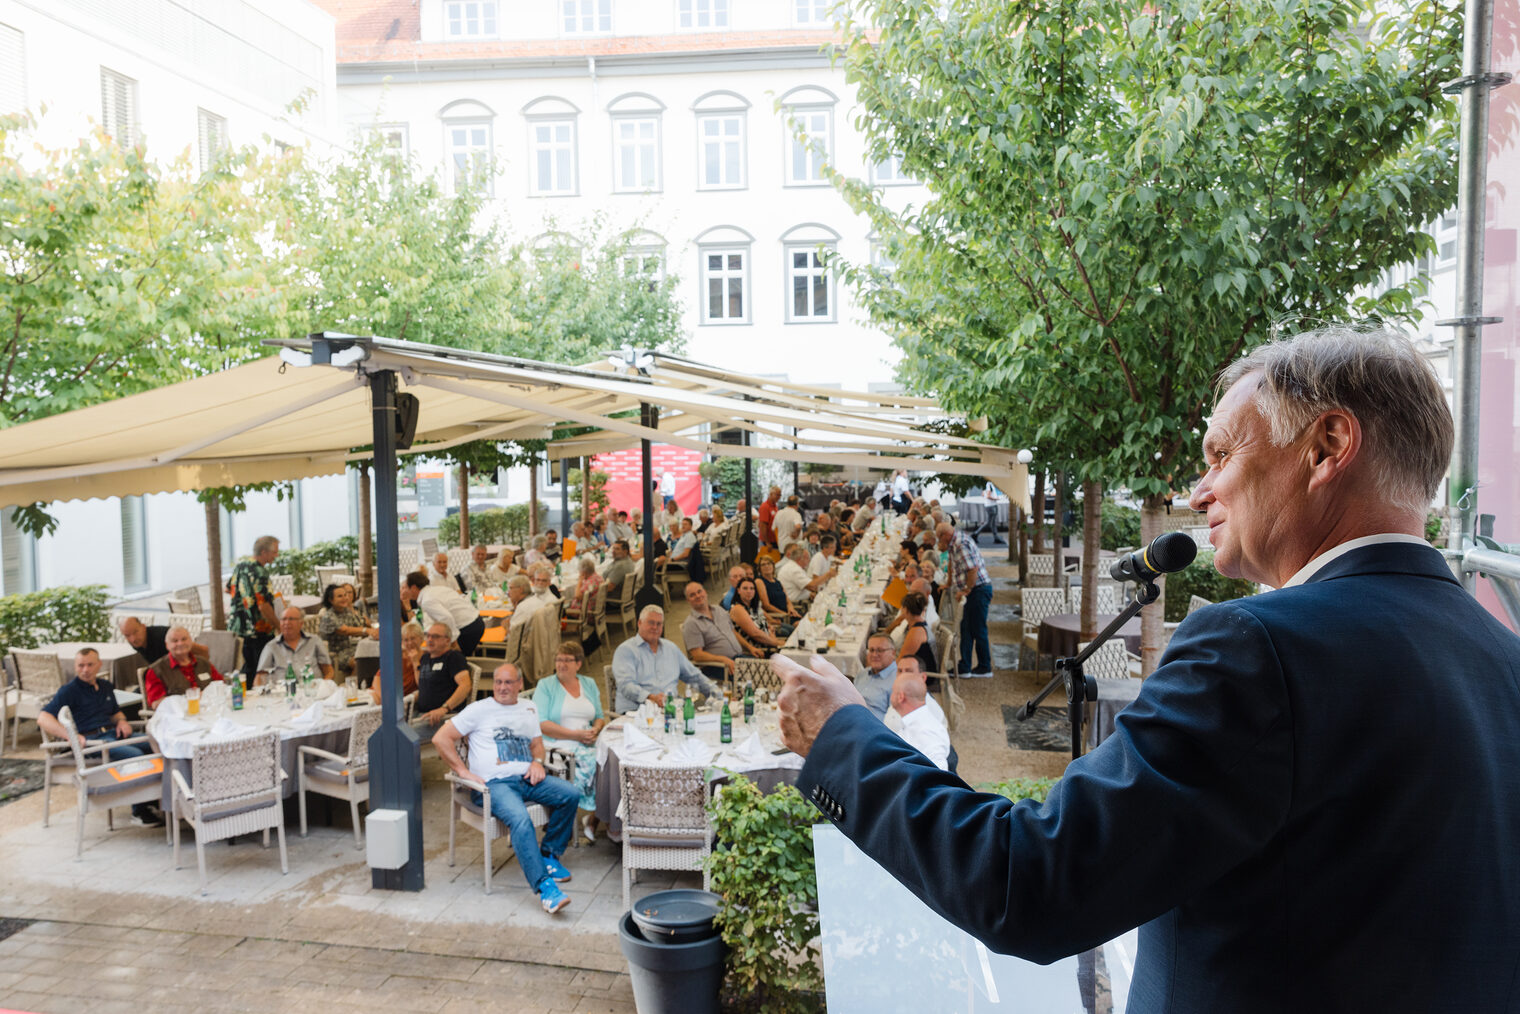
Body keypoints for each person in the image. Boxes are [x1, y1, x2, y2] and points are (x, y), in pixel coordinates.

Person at [775, 324, 1520, 1010]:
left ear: (1326, 447)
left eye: (1224, 454)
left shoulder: (1258, 650)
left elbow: (1027, 884)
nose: (1201, 491)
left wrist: (842, 734)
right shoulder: (1506, 660)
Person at [434, 663, 579, 914]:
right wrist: (463, 772)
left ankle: (549, 854)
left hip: (526, 778)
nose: (502, 687)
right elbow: (440, 738)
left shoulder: (528, 708)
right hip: (493, 785)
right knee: (520, 819)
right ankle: (546, 888)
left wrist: (537, 762)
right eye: (498, 682)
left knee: (571, 794)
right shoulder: (478, 710)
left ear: (519, 685)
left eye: (508, 682)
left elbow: (537, 745)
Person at [39, 648, 162, 827]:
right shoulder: (69, 691)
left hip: (112, 733)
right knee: (134, 753)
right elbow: (43, 718)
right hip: (91, 742)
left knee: (155, 744)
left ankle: (154, 798)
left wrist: (122, 721)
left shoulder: (105, 686)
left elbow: (115, 712)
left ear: (99, 665)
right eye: (81, 666)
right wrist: (70, 736)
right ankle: (139, 810)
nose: (85, 670)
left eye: (90, 665)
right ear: (75, 667)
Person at [534, 640, 609, 842]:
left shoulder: (589, 683)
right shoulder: (546, 686)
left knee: (611, 761)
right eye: (558, 660)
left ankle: (595, 819)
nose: (561, 664)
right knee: (595, 763)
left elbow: (600, 715)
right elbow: (540, 723)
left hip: (587, 741)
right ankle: (597, 819)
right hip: (556, 745)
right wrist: (575, 735)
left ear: (578, 664)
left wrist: (596, 728)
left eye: (567, 660)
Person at [610, 605, 723, 713]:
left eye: (659, 624)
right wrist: (651, 697)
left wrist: (717, 693)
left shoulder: (671, 648)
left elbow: (694, 676)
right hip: (638, 711)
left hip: (672, 709)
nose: (655, 627)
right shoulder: (626, 650)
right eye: (651, 623)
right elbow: (626, 685)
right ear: (639, 623)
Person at [937, 521, 992, 676]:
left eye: (939, 538)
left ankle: (985, 666)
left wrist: (966, 589)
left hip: (979, 590)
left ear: (945, 535)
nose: (939, 542)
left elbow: (972, 569)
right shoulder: (954, 543)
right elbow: (952, 564)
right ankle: (965, 666)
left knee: (978, 629)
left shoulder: (961, 544)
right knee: (966, 629)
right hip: (974, 590)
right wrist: (948, 583)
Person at [227, 534, 279, 678]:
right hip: (259, 629)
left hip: (241, 627)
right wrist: (278, 625)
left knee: (249, 666)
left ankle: (244, 693)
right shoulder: (260, 572)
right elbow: (263, 605)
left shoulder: (241, 566)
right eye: (274, 552)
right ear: (264, 552)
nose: (277, 555)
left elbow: (228, 588)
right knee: (263, 669)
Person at [411, 622, 472, 735]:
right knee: (388, 726)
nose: (429, 639)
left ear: (447, 640)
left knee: (402, 738)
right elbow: (422, 685)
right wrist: (415, 662)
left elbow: (465, 686)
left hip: (443, 718)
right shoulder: (425, 657)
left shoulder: (453, 657)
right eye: (428, 635)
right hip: (420, 714)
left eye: (435, 636)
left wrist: (444, 708)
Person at [144, 626, 225, 708]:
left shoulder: (203, 663)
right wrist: (188, 699)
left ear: (190, 641)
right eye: (175, 641)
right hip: (177, 717)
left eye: (184, 639)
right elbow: (156, 704)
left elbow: (221, 686)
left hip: (210, 712)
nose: (180, 643)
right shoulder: (156, 670)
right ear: (167, 645)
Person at [408, 572, 486, 656]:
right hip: (476, 621)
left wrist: (453, 642)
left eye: (406, 588)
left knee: (453, 660)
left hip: (468, 627)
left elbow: (446, 618)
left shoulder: (427, 600)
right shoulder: (436, 589)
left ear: (413, 588)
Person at [886, 669, 949, 771]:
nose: (891, 696)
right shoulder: (912, 722)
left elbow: (939, 773)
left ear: (900, 697)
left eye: (893, 691)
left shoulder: (926, 731)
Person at [681, 582, 744, 682]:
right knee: (754, 677)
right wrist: (723, 659)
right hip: (717, 666)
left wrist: (751, 648)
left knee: (767, 669)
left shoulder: (719, 610)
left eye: (699, 592)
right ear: (688, 600)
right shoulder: (691, 624)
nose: (697, 596)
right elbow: (697, 655)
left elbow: (733, 632)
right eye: (692, 595)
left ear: (705, 592)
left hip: (738, 658)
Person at [257, 606, 335, 685]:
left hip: (313, 691)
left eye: (291, 619)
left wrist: (323, 687)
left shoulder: (314, 641)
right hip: (283, 693)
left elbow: (329, 671)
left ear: (301, 623)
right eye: (283, 619)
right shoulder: (271, 646)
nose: (287, 623)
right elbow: (260, 677)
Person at [317, 583, 378, 676]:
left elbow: (360, 624)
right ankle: (355, 686)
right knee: (361, 661)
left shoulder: (346, 611)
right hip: (335, 654)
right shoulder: (328, 616)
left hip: (350, 648)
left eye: (345, 595)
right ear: (331, 600)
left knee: (374, 655)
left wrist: (373, 630)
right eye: (340, 596)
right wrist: (366, 630)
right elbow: (345, 630)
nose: (345, 598)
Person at [118, 616, 206, 668]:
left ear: (143, 627)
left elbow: (203, 651)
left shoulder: (162, 635)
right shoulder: (136, 642)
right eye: (127, 635)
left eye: (135, 632)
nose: (133, 638)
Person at [370, 621, 423, 705]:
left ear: (421, 639)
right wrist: (385, 700)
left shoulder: (426, 657)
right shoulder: (398, 655)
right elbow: (377, 679)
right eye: (406, 640)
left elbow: (422, 685)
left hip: (406, 700)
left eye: (413, 638)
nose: (409, 643)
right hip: (385, 697)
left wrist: (415, 662)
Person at [729, 577, 783, 657]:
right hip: (758, 652)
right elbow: (755, 634)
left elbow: (767, 627)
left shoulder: (752, 607)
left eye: (752, 588)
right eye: (745, 588)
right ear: (738, 591)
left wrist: (774, 638)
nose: (749, 591)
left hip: (769, 645)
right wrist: (777, 642)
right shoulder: (737, 608)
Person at [854, 635, 897, 720]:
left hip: (872, 728)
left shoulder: (898, 680)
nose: (874, 654)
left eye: (880, 650)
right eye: (871, 650)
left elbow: (895, 720)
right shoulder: (863, 674)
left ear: (893, 653)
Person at [564, 556, 602, 651]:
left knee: (559, 612)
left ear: (583, 572)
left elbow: (578, 596)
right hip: (594, 610)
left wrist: (580, 581)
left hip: (584, 615)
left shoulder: (590, 582)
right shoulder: (598, 577)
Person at [896, 591, 938, 675]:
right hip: (918, 666)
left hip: (923, 674)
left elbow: (901, 660)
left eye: (902, 608)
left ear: (906, 610)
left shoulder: (916, 632)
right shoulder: (919, 623)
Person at [756, 556, 800, 633]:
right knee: (800, 626)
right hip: (777, 616)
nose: (766, 566)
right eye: (763, 565)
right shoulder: (759, 581)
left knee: (807, 623)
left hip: (787, 614)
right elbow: (766, 605)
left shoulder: (777, 582)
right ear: (759, 569)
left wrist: (791, 609)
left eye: (769, 563)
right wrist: (783, 613)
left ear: (773, 566)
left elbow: (787, 600)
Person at [669, 517, 706, 584]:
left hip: (679, 564)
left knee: (655, 567)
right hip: (675, 562)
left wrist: (673, 559)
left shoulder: (689, 536)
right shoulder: (685, 535)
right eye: (682, 524)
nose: (683, 526)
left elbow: (686, 554)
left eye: (685, 524)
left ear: (691, 526)